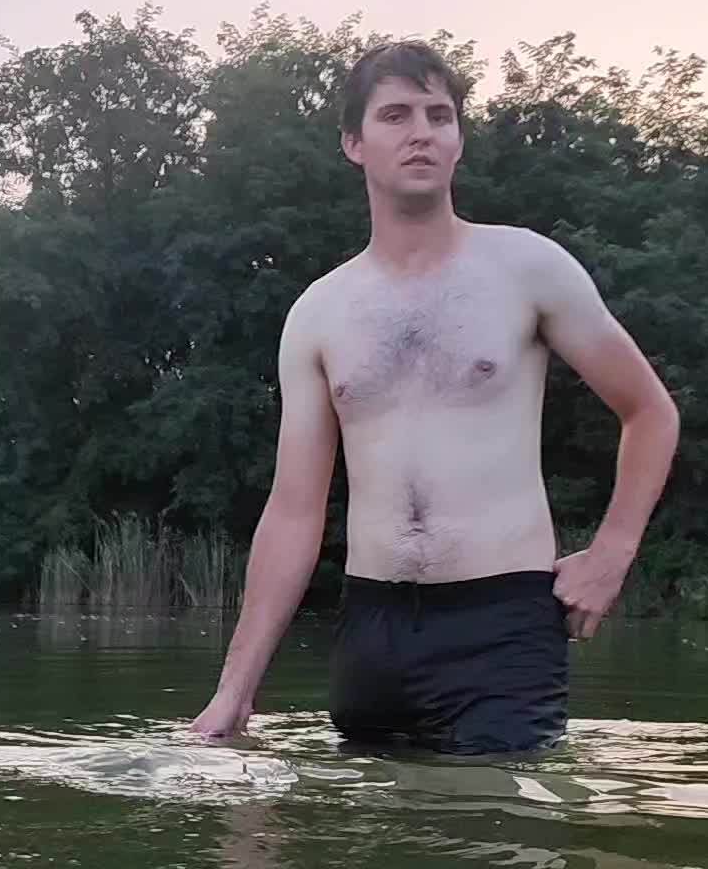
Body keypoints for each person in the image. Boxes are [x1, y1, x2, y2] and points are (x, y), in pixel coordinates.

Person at [188, 40, 680, 755]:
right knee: (373, 812)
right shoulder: (320, 312)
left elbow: (649, 411)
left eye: (438, 115)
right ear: (354, 143)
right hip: (373, 629)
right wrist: (234, 689)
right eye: (395, 115)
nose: (421, 132)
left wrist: (612, 553)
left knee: (493, 813)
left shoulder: (527, 268)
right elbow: (294, 511)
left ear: (457, 139)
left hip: (500, 624)